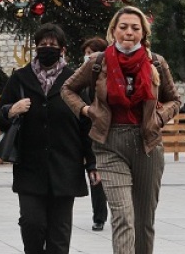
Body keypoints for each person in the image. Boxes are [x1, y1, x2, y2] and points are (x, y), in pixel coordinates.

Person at [62, 6, 180, 254]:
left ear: (143, 33)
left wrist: (160, 117)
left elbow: (174, 99)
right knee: (123, 217)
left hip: (147, 144)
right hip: (109, 143)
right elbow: (67, 89)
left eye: (135, 28)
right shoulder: (97, 62)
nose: (129, 32)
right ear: (113, 31)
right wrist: (85, 110)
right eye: (123, 27)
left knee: (143, 221)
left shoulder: (156, 62)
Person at [0, 24, 97, 254]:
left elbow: (87, 124)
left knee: (59, 233)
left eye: (52, 45)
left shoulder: (75, 80)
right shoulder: (20, 78)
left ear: (62, 49)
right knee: (32, 225)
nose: (47, 48)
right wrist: (11, 110)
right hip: (30, 167)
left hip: (65, 166)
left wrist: (91, 163)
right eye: (42, 44)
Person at [81, 36, 111, 232]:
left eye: (91, 53)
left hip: (110, 136)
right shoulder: (82, 79)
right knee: (95, 176)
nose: (88, 57)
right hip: (89, 137)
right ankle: (99, 216)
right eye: (86, 54)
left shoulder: (110, 77)